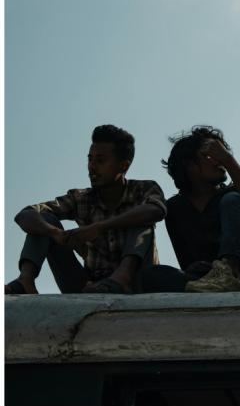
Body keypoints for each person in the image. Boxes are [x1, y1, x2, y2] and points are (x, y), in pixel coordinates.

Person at [5, 125, 166, 294]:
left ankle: (122, 278)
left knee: (142, 218)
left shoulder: (144, 189)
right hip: (89, 286)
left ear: (123, 166)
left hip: (137, 283)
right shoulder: (81, 198)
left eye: (101, 160)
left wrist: (99, 227)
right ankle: (26, 281)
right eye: (90, 159)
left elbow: (156, 210)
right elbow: (24, 215)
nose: (92, 167)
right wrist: (55, 233)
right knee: (43, 219)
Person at [161, 126, 240, 292]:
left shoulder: (236, 191)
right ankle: (224, 280)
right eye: (211, 155)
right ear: (189, 165)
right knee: (150, 275)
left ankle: (229, 270)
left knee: (232, 200)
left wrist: (228, 160)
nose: (220, 161)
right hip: (210, 277)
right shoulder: (176, 208)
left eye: (221, 154)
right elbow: (188, 262)